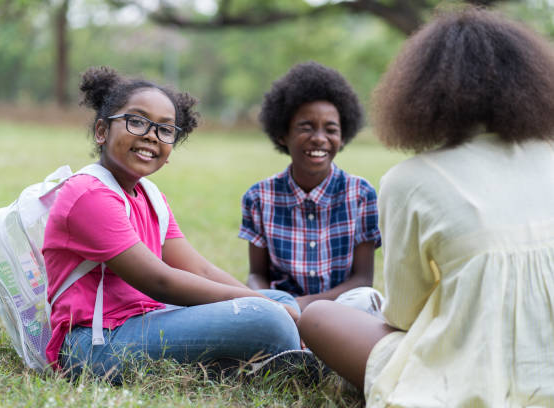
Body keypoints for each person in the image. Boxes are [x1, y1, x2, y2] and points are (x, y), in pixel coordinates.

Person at [298, 7, 554, 407]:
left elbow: (403, 315)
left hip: (465, 379)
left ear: (420, 92)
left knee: (320, 317)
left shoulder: (410, 179)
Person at [42, 66, 302, 382]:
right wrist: (259, 307)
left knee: (280, 301)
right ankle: (283, 368)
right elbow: (160, 281)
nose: (151, 134)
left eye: (165, 129)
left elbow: (201, 270)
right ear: (102, 131)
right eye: (137, 121)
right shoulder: (88, 194)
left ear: (169, 152)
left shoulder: (150, 196)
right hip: (94, 345)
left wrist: (262, 302)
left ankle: (247, 365)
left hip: (145, 321)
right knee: (268, 318)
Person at [239, 61, 382, 312]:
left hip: (340, 308)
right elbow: (256, 275)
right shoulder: (259, 197)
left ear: (343, 135)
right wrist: (270, 304)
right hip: (282, 312)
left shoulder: (361, 195)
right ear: (283, 134)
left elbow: (362, 280)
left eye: (331, 129)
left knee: (367, 299)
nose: (319, 138)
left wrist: (302, 305)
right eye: (306, 127)